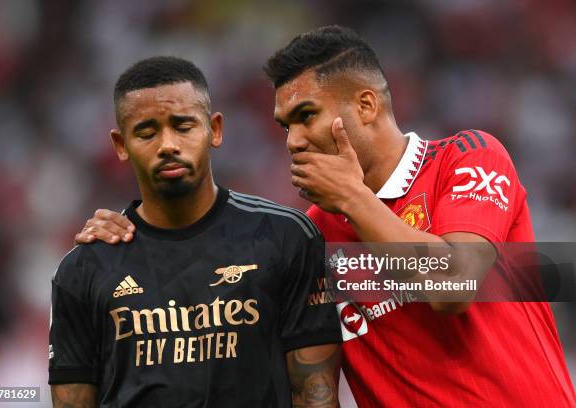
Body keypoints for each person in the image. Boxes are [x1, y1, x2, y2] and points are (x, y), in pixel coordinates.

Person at [75, 28, 576, 407]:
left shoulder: (467, 158)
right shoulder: (309, 235)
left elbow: (454, 285)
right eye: (284, 125)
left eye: (307, 115)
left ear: (365, 104)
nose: (292, 141)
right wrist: (133, 241)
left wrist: (355, 199)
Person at [49, 56, 342, 408]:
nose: (168, 145)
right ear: (120, 145)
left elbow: (316, 397)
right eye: (146, 132)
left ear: (214, 129)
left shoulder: (285, 238)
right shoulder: (84, 269)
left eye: (183, 126)